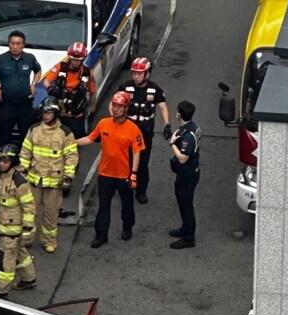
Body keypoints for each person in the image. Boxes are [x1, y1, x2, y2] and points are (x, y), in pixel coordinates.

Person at [76, 91, 144, 248]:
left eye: (120, 107)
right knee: (103, 205)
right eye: (114, 105)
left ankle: (127, 227)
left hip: (124, 176)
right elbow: (90, 138)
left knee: (127, 204)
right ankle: (101, 234)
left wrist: (133, 174)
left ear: (126, 108)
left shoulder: (133, 129)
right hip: (105, 174)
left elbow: (137, 152)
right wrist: (71, 142)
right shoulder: (103, 124)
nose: (116, 109)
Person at [19, 97, 77, 253]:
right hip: (34, 181)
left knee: (51, 215)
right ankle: (26, 240)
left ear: (56, 113)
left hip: (54, 184)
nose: (46, 115)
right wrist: (21, 171)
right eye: (44, 112)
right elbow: (25, 153)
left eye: (49, 112)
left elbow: (71, 157)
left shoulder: (65, 133)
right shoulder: (34, 129)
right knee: (29, 213)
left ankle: (49, 241)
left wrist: (68, 177)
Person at [0, 144, 36, 298]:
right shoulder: (0, 178)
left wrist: (27, 229)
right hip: (6, 226)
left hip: (12, 229)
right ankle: (29, 279)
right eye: (1, 160)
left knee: (5, 260)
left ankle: (1, 292)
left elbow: (29, 206)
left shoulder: (19, 182)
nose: (2, 163)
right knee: (20, 252)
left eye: (6, 161)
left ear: (13, 162)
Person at [121, 57, 170, 203]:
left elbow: (162, 106)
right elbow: (114, 103)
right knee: (125, 160)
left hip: (144, 134)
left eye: (139, 73)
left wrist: (167, 124)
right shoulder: (125, 87)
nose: (136, 76)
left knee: (142, 163)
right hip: (127, 132)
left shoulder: (154, 89)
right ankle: (125, 186)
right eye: (134, 73)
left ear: (147, 73)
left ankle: (141, 191)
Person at [0, 31, 41, 149]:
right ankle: (4, 160)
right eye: (13, 43)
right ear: (9, 44)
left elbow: (38, 70)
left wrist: (34, 84)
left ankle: (24, 161)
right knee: (4, 136)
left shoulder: (30, 58)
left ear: (23, 45)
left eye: (18, 44)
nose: (15, 46)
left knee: (26, 136)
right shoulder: (1, 59)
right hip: (7, 105)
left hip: (25, 105)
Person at [43, 41, 96, 138]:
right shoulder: (60, 66)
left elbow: (92, 91)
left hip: (76, 113)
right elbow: (46, 80)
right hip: (60, 111)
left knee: (76, 137)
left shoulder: (87, 72)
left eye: (78, 60)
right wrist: (51, 88)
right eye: (73, 59)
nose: (76, 62)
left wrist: (91, 109)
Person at [168, 100, 201, 250]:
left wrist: (173, 144)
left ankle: (189, 237)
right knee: (183, 203)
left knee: (186, 205)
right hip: (189, 172)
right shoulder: (193, 128)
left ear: (179, 115)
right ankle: (185, 228)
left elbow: (183, 158)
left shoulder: (188, 136)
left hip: (187, 174)